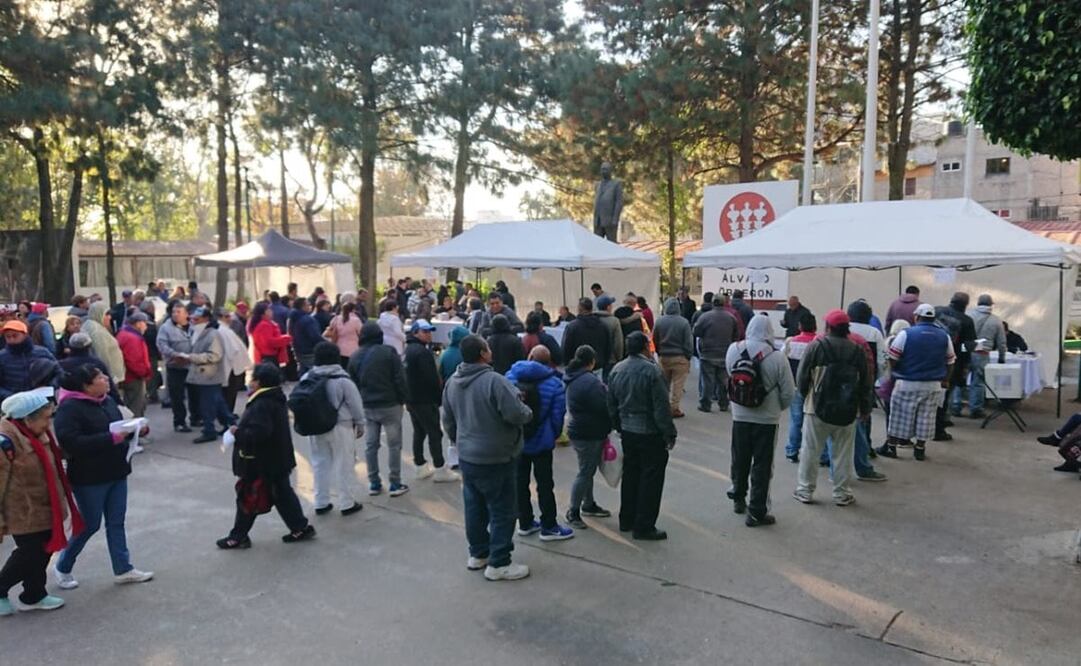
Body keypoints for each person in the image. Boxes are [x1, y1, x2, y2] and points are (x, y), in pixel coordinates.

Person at [442, 335, 534, 581]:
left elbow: (448, 420)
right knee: (503, 510)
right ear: (483, 353)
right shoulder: (494, 381)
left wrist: (460, 441)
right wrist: (527, 410)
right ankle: (500, 562)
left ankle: (478, 553)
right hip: (497, 456)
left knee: (475, 507)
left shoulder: (452, 382)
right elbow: (517, 414)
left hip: (468, 456)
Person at [52, 365, 154, 588]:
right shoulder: (68, 409)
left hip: (117, 470)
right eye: (99, 377)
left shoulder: (106, 400)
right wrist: (112, 438)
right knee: (90, 524)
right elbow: (71, 443)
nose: (106, 379)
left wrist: (136, 431)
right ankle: (63, 565)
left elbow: (118, 428)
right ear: (86, 386)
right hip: (89, 477)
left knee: (116, 522)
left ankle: (123, 568)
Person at [0, 391, 83, 614]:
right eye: (45, 418)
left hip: (46, 507)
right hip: (21, 510)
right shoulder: (5, 442)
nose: (49, 423)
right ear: (27, 418)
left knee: (44, 550)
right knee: (30, 553)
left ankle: (34, 594)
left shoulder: (37, 433)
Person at [216, 363, 315, 548]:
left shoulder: (262, 404)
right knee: (282, 495)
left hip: (261, 462)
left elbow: (259, 433)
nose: (249, 382)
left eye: (252, 378)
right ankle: (299, 527)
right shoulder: (274, 398)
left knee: (248, 497)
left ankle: (238, 536)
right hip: (276, 459)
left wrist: (237, 432)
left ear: (259, 382)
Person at [792, 310, 872, 507]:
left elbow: (802, 377)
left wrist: (804, 395)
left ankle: (805, 490)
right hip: (847, 410)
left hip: (816, 407)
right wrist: (865, 409)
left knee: (810, 450)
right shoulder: (857, 349)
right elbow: (866, 383)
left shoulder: (817, 346)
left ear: (828, 326)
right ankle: (841, 493)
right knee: (843, 453)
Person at [726, 315, 794, 527]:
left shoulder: (733, 349)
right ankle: (757, 511)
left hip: (739, 414)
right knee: (763, 465)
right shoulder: (777, 357)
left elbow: (731, 375)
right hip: (767, 419)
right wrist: (776, 408)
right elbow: (788, 392)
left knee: (740, 458)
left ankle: (738, 496)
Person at [607, 331, 676, 540]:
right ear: (646, 347)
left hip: (627, 430)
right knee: (651, 479)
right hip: (649, 431)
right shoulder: (652, 372)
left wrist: (618, 425)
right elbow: (661, 407)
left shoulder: (617, 370)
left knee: (631, 474)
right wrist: (669, 433)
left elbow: (611, 403)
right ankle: (644, 524)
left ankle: (626, 518)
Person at [505, 346, 572, 542]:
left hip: (517, 440)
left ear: (530, 356)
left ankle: (525, 522)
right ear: (549, 361)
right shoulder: (554, 384)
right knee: (544, 484)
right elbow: (558, 415)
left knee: (519, 482)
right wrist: (554, 434)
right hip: (542, 441)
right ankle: (549, 525)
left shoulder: (509, 378)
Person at [878, 304, 955, 461]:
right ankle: (920, 449)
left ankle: (891, 447)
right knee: (926, 418)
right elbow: (951, 361)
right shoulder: (944, 336)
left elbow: (893, 357)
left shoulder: (906, 334)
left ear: (917, 317)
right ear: (933, 318)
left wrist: (894, 372)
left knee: (899, 416)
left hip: (907, 382)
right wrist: (946, 379)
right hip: (933, 384)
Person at [348, 322, 409, 497]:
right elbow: (400, 379)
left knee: (370, 445)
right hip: (390, 404)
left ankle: (374, 482)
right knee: (394, 445)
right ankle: (395, 483)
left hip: (367, 405)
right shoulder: (389, 352)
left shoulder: (355, 356)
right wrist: (403, 399)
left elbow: (353, 385)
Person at [305, 342, 365, 516]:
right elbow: (355, 404)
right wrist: (360, 423)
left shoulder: (308, 377)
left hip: (315, 427)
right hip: (341, 426)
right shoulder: (343, 380)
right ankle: (346, 502)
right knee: (344, 463)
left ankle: (321, 501)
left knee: (319, 464)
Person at [562, 345, 613, 529]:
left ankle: (588, 504)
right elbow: (603, 405)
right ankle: (573, 510)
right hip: (589, 432)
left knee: (587, 469)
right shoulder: (590, 382)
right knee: (585, 472)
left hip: (579, 429)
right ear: (591, 362)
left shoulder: (572, 377)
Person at [404, 320, 456, 483]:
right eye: (424, 331)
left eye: (429, 331)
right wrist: (438, 397)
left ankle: (420, 465)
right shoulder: (422, 353)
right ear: (415, 333)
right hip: (425, 399)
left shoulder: (409, 350)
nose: (428, 334)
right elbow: (431, 378)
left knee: (419, 431)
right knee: (435, 432)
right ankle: (439, 467)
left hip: (412, 398)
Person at [184, 308, 236, 444]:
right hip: (202, 376)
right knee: (218, 403)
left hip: (209, 375)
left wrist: (192, 357)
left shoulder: (213, 334)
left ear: (206, 319)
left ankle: (209, 430)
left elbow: (215, 355)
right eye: (192, 319)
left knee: (208, 405)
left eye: (196, 319)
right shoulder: (196, 332)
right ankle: (230, 424)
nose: (193, 321)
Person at [693, 296, 740, 413]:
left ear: (713, 303)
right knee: (723, 381)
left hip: (707, 353)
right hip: (725, 353)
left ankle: (705, 404)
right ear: (724, 303)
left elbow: (696, 332)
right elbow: (736, 335)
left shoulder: (705, 317)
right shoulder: (731, 318)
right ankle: (723, 403)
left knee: (708, 381)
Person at [783, 313, 817, 463]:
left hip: (795, 386)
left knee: (795, 420)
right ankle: (818, 453)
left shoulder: (791, 342)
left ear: (799, 326)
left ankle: (792, 450)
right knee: (814, 421)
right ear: (815, 326)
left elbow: (782, 360)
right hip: (813, 388)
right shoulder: (818, 343)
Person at [936, 293, 976, 420]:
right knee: (945, 393)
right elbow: (969, 346)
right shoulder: (967, 321)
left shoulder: (936, 310)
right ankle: (940, 423)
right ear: (965, 305)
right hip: (952, 362)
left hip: (929, 358)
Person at [157, 301, 196, 433]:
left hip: (193, 366)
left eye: (179, 312)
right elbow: (162, 345)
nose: (175, 314)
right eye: (173, 312)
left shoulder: (194, 326)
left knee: (195, 394)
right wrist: (175, 355)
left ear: (186, 314)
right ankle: (179, 422)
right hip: (175, 366)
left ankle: (196, 417)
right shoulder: (165, 328)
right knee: (177, 396)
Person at [652, 297, 693, 418]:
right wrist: (688, 356)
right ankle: (674, 408)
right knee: (678, 385)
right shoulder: (684, 322)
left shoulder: (659, 321)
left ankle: (663, 407)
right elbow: (688, 342)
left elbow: (655, 338)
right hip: (680, 357)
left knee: (664, 384)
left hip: (664, 356)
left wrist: (659, 352)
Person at [968, 294, 1007, 420]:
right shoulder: (996, 320)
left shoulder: (969, 316)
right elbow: (1001, 342)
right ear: (991, 305)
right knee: (978, 383)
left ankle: (955, 407)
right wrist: (1002, 357)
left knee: (959, 381)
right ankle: (975, 409)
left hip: (966, 351)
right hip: (982, 353)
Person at [0, 320, 57, 400]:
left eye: (15, 335)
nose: (12, 339)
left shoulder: (42, 352)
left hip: (43, 401)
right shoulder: (2, 357)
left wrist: (51, 387)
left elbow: (58, 372)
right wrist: (12, 396)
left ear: (25, 335)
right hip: (15, 404)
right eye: (8, 337)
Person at [116, 311, 152, 418]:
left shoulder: (123, 334)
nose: (146, 327)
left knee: (130, 404)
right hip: (133, 377)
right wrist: (145, 373)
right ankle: (134, 431)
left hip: (127, 376)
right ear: (138, 323)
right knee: (136, 406)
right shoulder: (133, 338)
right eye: (145, 323)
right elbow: (134, 360)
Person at [562, 298, 610, 376]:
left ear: (579, 309)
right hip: (597, 366)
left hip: (577, 368)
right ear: (591, 309)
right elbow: (608, 346)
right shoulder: (603, 326)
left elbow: (566, 348)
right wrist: (604, 362)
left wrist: (568, 364)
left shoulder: (572, 326)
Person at [217, 309, 251, 413]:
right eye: (227, 316)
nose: (230, 319)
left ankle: (227, 412)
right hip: (230, 366)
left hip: (231, 366)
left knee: (229, 392)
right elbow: (233, 350)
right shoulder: (222, 330)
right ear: (221, 317)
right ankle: (227, 413)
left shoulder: (226, 330)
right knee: (228, 393)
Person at [83, 301, 124, 384]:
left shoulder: (93, 326)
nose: (110, 317)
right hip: (108, 378)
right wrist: (110, 376)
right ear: (99, 314)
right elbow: (102, 356)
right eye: (106, 314)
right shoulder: (97, 332)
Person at [249, 302, 292, 366]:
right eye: (269, 310)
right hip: (268, 356)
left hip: (265, 356)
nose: (271, 311)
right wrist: (287, 338)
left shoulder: (263, 323)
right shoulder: (264, 325)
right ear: (263, 313)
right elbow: (270, 342)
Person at [288, 297, 322, 376]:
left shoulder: (292, 318)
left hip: (298, 350)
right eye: (308, 304)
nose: (310, 306)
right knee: (314, 373)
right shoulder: (308, 320)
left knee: (303, 371)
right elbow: (315, 336)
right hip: (310, 350)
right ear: (303, 307)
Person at [325, 302, 363, 367]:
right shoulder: (356, 320)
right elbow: (361, 332)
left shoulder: (336, 318)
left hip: (338, 348)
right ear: (353, 309)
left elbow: (330, 328)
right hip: (353, 349)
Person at [593, 162, 623, 241]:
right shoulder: (597, 185)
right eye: (602, 169)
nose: (603, 171)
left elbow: (619, 202)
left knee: (611, 244)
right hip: (598, 221)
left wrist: (615, 219)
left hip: (610, 220)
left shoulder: (616, 184)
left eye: (605, 169)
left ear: (610, 171)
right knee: (597, 244)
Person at [141, 301, 162, 405]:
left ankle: (151, 393)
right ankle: (152, 394)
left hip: (149, 352)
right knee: (151, 374)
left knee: (151, 374)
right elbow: (153, 338)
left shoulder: (147, 321)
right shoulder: (149, 324)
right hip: (150, 352)